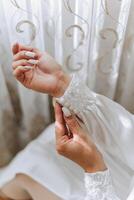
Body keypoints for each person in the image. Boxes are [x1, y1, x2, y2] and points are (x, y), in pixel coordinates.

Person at [0, 43, 134, 199]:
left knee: (29, 173)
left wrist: (94, 169)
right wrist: (62, 83)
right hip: (118, 164)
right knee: (28, 170)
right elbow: (128, 134)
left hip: (106, 186)